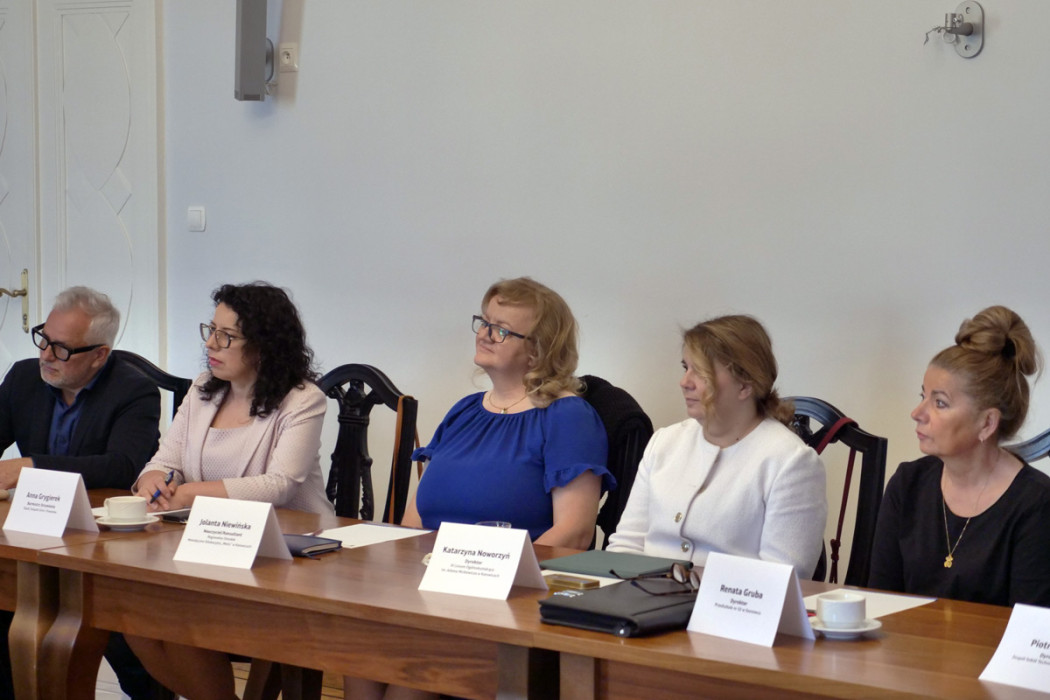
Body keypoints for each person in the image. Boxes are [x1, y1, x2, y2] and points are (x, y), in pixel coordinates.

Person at [352, 277, 612, 700]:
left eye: (502, 330)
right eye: (485, 322)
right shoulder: (465, 411)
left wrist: (488, 577)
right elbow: (415, 518)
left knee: (407, 674)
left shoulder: (568, 417)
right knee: (354, 648)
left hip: (506, 598)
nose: (485, 334)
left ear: (538, 350)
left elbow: (574, 534)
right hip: (431, 584)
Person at [126, 282, 333, 700]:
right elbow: (166, 459)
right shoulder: (203, 388)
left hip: (289, 555)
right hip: (213, 545)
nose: (210, 344)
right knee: (134, 619)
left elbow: (279, 484)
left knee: (179, 619)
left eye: (227, 336)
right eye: (211, 330)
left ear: (264, 345)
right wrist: (151, 479)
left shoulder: (302, 399)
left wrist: (189, 494)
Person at [0, 286, 165, 700]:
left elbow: (123, 465)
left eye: (61, 349)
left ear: (99, 355)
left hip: (104, 542)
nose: (46, 355)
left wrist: (31, 465)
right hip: (34, 531)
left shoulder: (135, 390)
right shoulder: (22, 377)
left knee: (124, 634)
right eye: (44, 339)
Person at [607, 314, 827, 578]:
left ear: (745, 385)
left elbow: (780, 579)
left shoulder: (791, 462)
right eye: (685, 367)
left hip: (730, 603)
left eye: (700, 372)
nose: (684, 382)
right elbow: (626, 546)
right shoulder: (664, 442)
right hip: (641, 597)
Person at [869, 305, 1050, 606]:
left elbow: (1029, 629)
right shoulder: (907, 484)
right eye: (923, 396)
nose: (917, 413)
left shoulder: (1036, 505)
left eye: (939, 403)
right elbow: (879, 603)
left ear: (987, 423)